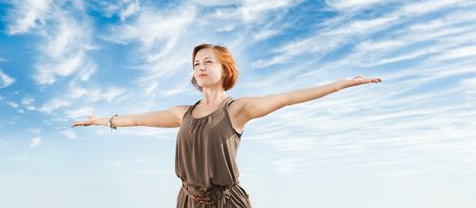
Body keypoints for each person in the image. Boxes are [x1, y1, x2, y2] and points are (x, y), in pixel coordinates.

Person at [71, 43, 382, 207]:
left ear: (225, 69)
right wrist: (99, 121)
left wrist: (339, 84)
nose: (201, 67)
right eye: (196, 64)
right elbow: (136, 119)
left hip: (226, 202)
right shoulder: (184, 113)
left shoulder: (238, 109)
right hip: (189, 201)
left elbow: (288, 97)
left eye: (208, 61)